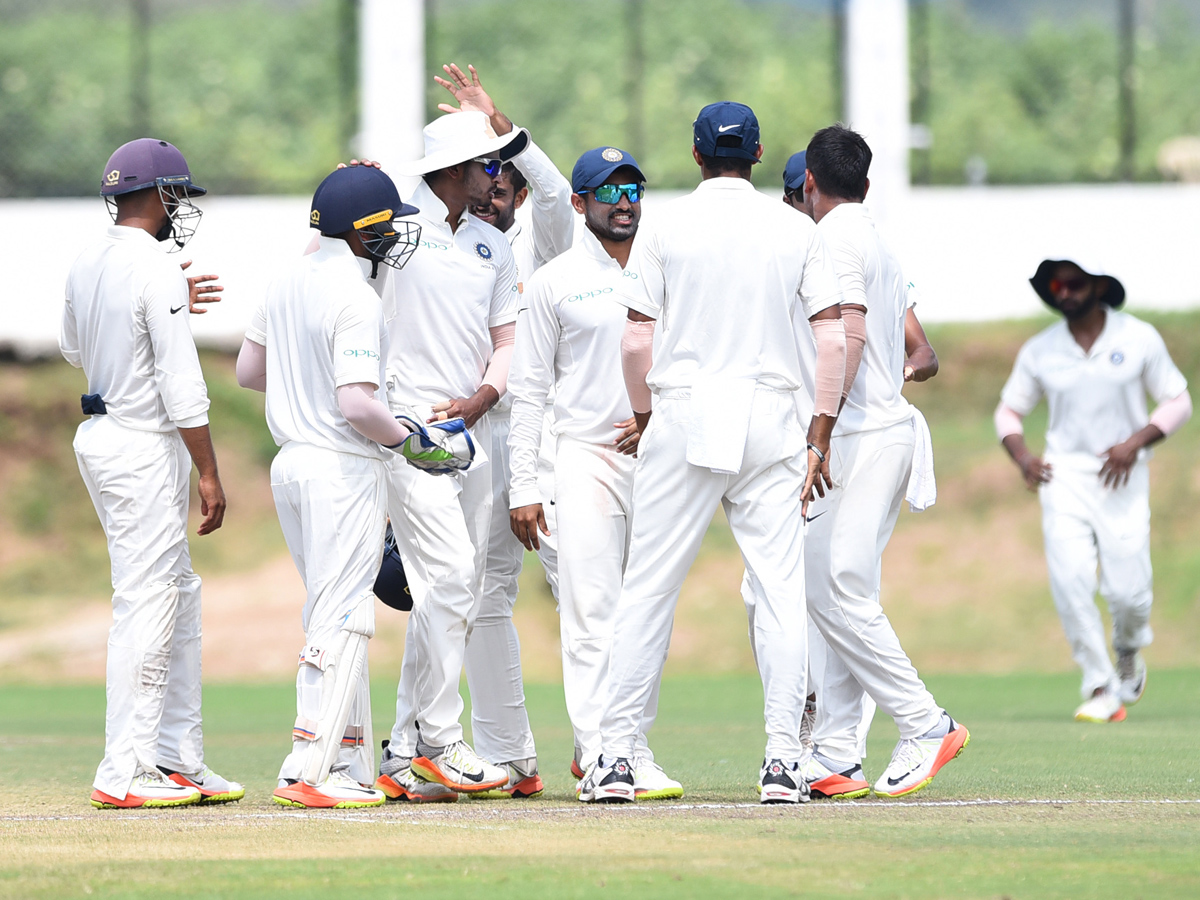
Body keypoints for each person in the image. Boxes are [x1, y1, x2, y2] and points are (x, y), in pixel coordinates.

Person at [581, 102, 847, 805]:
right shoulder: (795, 228)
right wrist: (819, 433)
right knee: (780, 592)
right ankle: (786, 762)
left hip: (687, 408)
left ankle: (611, 760)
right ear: (758, 154)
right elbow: (833, 340)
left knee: (648, 588)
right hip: (773, 414)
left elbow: (636, 340)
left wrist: (644, 416)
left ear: (697, 156)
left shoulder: (665, 225)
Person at [752, 127, 967, 801]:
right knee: (835, 588)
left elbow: (845, 336)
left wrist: (818, 434)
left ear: (809, 183)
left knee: (833, 585)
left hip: (861, 435)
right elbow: (899, 341)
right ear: (865, 184)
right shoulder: (871, 232)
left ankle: (926, 723)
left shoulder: (835, 238)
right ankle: (839, 751)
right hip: (874, 431)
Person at [237, 165, 456, 808]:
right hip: (341, 466)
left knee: (328, 609)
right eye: (387, 226)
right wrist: (416, 442)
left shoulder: (286, 280)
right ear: (364, 233)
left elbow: (252, 370)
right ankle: (309, 768)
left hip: (292, 465)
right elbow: (358, 405)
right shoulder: (355, 298)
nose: (395, 238)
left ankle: (351, 761)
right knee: (344, 616)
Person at [62, 138, 240, 809]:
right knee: (146, 602)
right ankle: (125, 769)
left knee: (177, 593)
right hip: (143, 444)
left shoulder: (89, 258)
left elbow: (72, 345)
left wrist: (157, 309)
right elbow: (181, 383)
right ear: (157, 194)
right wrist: (210, 472)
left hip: (104, 433)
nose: (180, 208)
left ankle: (177, 756)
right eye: (177, 195)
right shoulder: (158, 264)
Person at [508, 146, 683, 799]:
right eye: (607, 192)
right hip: (582, 456)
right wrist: (524, 484)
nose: (623, 202)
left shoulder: (668, 268)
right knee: (591, 609)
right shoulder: (553, 281)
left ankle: (631, 745)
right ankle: (601, 753)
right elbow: (528, 391)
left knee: (649, 611)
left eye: (633, 188)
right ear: (579, 204)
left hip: (660, 456)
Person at [374, 110, 529, 802]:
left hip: (475, 435)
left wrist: (482, 399)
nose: (494, 178)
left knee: (448, 593)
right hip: (410, 437)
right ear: (455, 172)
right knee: (454, 580)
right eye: (485, 166)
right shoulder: (394, 235)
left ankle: (404, 751)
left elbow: (506, 342)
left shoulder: (493, 248)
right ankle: (441, 740)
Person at [432, 64, 575, 797]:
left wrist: (498, 125)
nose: (492, 187)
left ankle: (609, 745)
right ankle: (510, 755)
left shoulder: (544, 249)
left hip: (546, 442)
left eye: (503, 179)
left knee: (580, 590)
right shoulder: (441, 242)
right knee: (481, 595)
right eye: (481, 176)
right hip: (473, 442)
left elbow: (552, 189)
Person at [995, 258, 1191, 722]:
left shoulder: (1138, 337)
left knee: (1128, 593)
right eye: (1056, 285)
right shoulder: (1041, 350)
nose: (1064, 292)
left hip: (1122, 476)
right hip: (1063, 477)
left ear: (1099, 286)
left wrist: (1134, 443)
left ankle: (1128, 648)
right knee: (1071, 583)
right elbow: (1008, 413)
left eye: (1074, 283)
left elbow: (1178, 400)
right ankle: (1099, 684)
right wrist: (1024, 458)